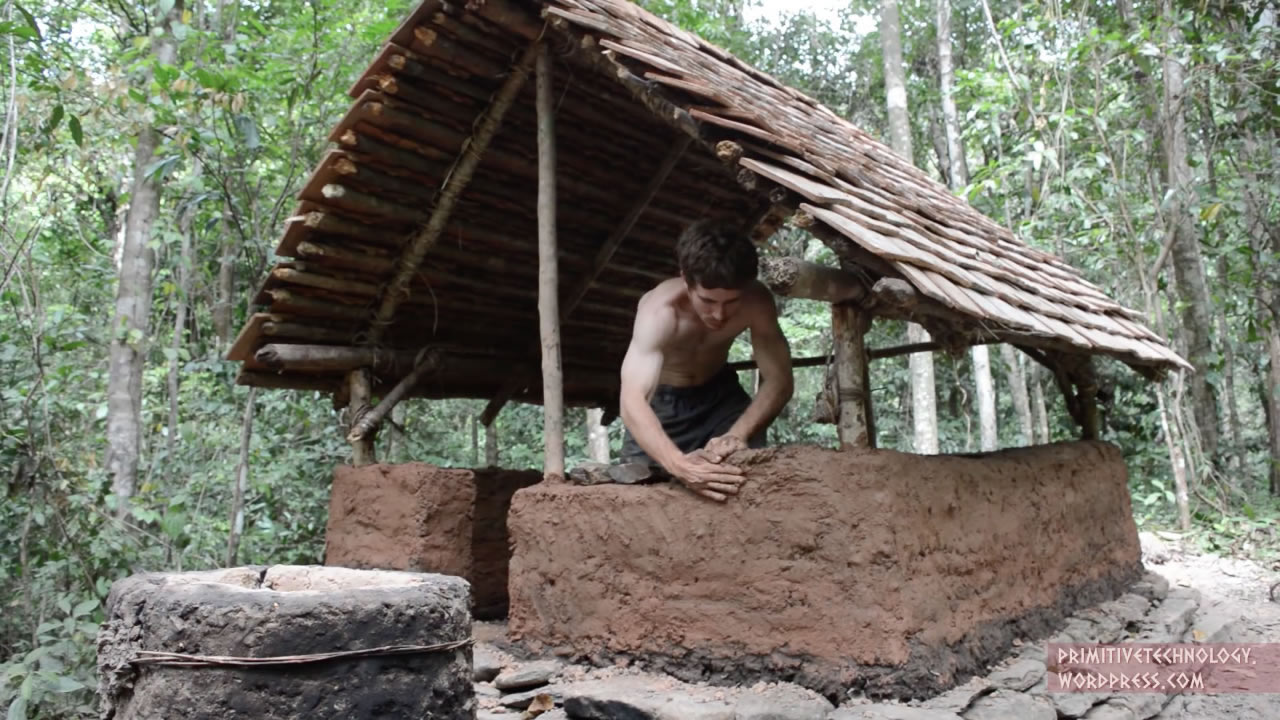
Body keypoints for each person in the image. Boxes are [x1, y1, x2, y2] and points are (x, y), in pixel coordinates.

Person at [618, 219, 794, 502]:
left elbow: (780, 380)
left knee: (750, 486)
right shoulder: (659, 312)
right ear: (686, 280)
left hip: (721, 400)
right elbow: (632, 400)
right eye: (708, 301)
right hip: (663, 407)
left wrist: (737, 435)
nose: (720, 315)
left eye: (731, 302)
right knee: (639, 497)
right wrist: (679, 464)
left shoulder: (756, 302)